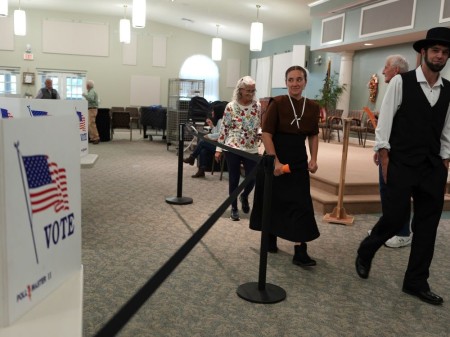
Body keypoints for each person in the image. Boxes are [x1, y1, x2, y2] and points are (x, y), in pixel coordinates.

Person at [355, 27, 450, 305]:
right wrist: (384, 157)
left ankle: (416, 281)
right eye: (435, 50)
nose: (440, 56)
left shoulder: (448, 90)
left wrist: (445, 161)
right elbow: (384, 124)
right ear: (424, 52)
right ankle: (367, 249)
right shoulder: (401, 82)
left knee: (427, 225)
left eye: (445, 52)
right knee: (395, 218)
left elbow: (446, 130)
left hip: (432, 166)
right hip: (401, 162)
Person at [250, 65, 320, 267]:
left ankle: (300, 250)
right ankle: (270, 238)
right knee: (273, 200)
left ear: (305, 82)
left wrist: (313, 158)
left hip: (297, 159)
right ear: (286, 82)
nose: (295, 83)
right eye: (291, 79)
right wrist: (276, 162)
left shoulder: (313, 107)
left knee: (301, 203)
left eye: (299, 79)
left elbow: (313, 135)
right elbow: (266, 134)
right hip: (275, 156)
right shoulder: (277, 102)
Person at [371, 55, 412, 248]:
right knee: (387, 191)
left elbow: (387, 120)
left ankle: (403, 232)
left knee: (396, 192)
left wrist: (382, 148)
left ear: (395, 70)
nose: (383, 71)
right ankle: (387, 228)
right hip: (390, 148)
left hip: (398, 151)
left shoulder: (399, 82)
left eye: (386, 67)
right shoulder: (400, 84)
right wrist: (380, 147)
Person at [215, 76, 261, 221]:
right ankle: (233, 208)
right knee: (234, 178)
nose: (250, 93)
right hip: (233, 145)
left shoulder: (257, 106)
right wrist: (219, 149)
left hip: (251, 146)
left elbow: (260, 124)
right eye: (248, 90)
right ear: (240, 90)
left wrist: (260, 132)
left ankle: (244, 195)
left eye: (253, 90)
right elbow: (224, 128)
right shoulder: (230, 106)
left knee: (252, 177)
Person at [183, 102, 225, 178]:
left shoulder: (221, 121)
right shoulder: (219, 121)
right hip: (218, 145)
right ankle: (201, 171)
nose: (212, 112)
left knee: (202, 142)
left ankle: (192, 157)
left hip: (222, 147)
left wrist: (208, 136)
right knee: (203, 150)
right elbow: (216, 132)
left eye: (213, 111)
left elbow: (220, 135)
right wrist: (212, 126)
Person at [82, 80, 100, 144]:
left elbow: (91, 99)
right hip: (92, 109)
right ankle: (92, 138)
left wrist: (84, 95)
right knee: (90, 124)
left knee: (91, 124)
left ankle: (96, 138)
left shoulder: (91, 91)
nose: (86, 86)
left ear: (88, 86)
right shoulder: (92, 91)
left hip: (92, 109)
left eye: (86, 85)